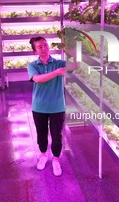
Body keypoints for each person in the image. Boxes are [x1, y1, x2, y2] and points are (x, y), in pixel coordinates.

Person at [27, 36, 78, 177]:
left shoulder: (59, 62)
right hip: (39, 107)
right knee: (41, 133)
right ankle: (43, 155)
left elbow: (75, 66)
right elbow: (38, 79)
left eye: (45, 45)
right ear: (34, 51)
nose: (44, 48)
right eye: (39, 47)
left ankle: (56, 159)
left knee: (57, 135)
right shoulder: (32, 66)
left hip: (57, 106)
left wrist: (72, 53)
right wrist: (56, 73)